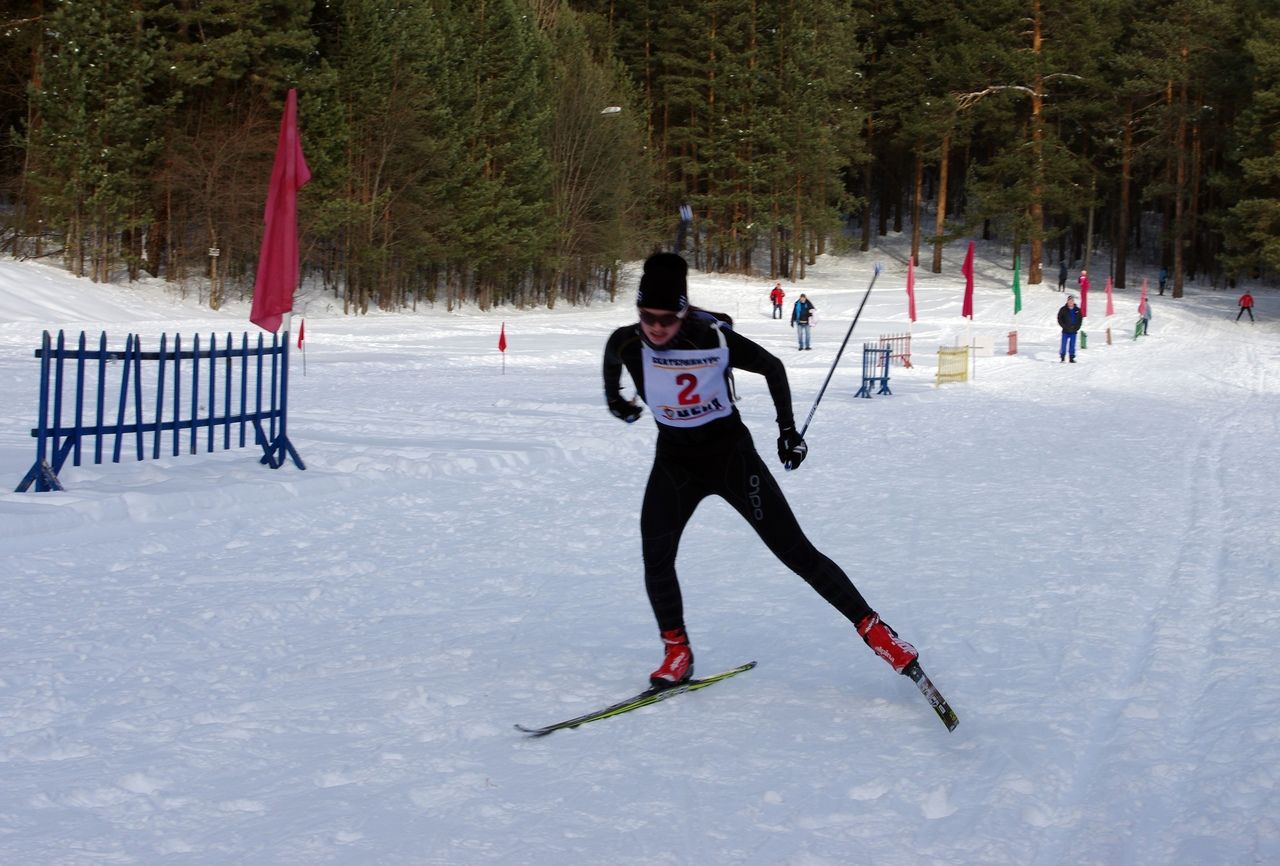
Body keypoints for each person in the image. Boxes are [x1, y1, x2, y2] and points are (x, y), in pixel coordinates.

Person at [602, 252, 920, 689]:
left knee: (794, 551)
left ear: (683, 312)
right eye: (646, 317)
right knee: (655, 555)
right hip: (675, 463)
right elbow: (612, 359)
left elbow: (773, 367)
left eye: (666, 318)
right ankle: (677, 651)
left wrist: (787, 432)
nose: (655, 328)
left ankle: (877, 631)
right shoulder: (628, 341)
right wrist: (616, 400)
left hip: (731, 458)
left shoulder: (712, 338)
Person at [1058, 294, 1082, 362]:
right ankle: (1062, 358)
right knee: (1063, 345)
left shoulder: (1077, 310)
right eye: (1069, 301)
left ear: (1073, 301)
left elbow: (1080, 319)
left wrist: (1077, 327)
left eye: (1072, 301)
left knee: (1072, 345)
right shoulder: (1063, 309)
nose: (1070, 302)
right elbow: (1059, 318)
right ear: (1067, 301)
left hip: (1073, 331)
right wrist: (1064, 326)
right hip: (1065, 330)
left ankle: (1071, 358)